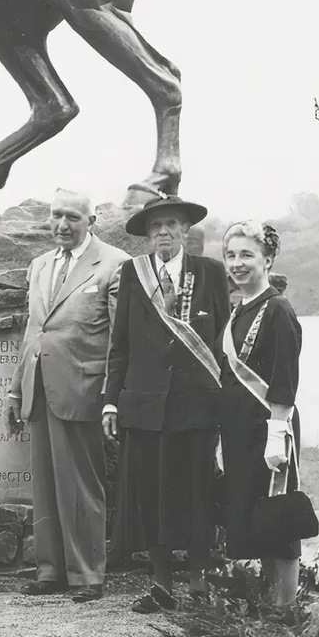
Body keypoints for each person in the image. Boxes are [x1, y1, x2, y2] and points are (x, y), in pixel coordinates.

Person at [102, 195, 230, 613]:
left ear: (185, 231)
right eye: (155, 226)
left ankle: (197, 583)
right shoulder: (132, 274)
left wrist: (225, 401)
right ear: (147, 234)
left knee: (196, 493)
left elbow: (223, 344)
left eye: (171, 225)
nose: (163, 232)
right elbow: (119, 344)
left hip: (197, 406)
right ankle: (161, 585)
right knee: (151, 495)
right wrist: (110, 403)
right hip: (144, 405)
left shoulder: (210, 273)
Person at [6, 190, 129, 603]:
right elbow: (33, 332)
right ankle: (51, 571)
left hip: (83, 388)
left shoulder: (114, 264)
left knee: (81, 484)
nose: (62, 224)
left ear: (91, 220)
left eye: (72, 217)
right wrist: (14, 389)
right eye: (56, 215)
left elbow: (120, 338)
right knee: (44, 482)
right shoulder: (39, 265)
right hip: (39, 387)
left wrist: (112, 395)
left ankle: (87, 574)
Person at [219, 221, 304, 608]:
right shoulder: (238, 310)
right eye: (231, 255)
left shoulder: (278, 308)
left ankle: (284, 614)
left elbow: (285, 375)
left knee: (279, 518)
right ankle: (270, 604)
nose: (237, 264)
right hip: (240, 429)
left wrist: (275, 432)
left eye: (247, 255)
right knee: (257, 515)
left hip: (271, 426)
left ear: (268, 259)